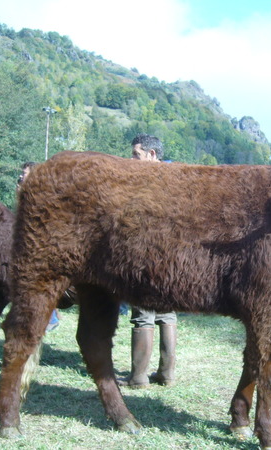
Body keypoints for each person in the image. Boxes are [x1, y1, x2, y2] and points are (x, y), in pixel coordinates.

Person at [118, 134, 177, 388]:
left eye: (136, 155)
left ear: (152, 155)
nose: (131, 160)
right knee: (167, 314)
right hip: (175, 257)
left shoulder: (144, 183)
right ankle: (166, 374)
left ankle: (139, 377)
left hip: (146, 255)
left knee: (143, 315)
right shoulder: (178, 178)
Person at [17, 161, 61, 330]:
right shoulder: (25, 190)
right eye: (22, 173)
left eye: (26, 173)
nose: (22, 176)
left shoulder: (43, 195)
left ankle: (49, 319)